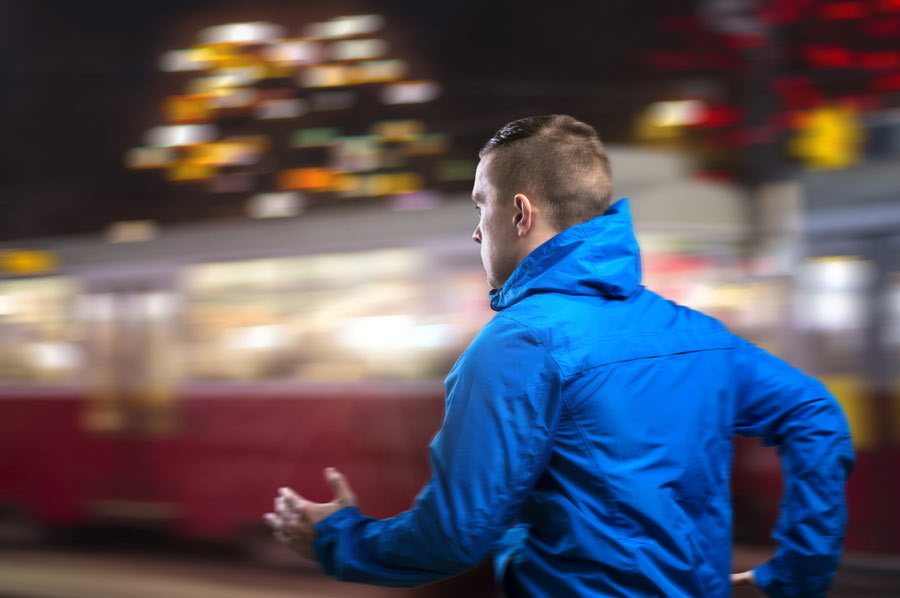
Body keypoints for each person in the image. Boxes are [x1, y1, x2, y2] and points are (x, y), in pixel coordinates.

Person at [264, 115, 854, 597]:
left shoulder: (518, 345)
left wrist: (337, 537)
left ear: (520, 214)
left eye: (480, 206)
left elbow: (453, 537)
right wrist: (799, 575)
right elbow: (817, 417)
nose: (476, 231)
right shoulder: (700, 335)